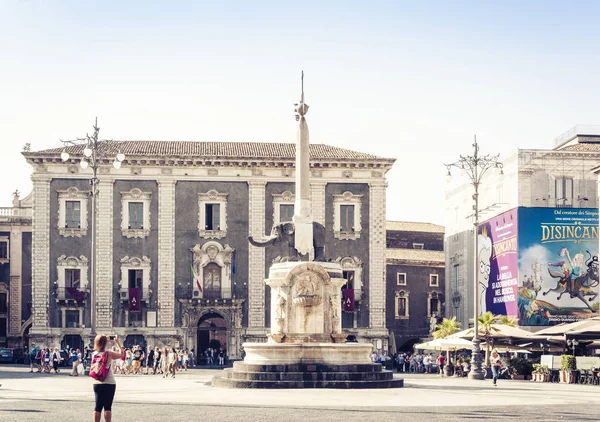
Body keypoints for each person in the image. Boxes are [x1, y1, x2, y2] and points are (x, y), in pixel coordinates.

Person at [91, 334, 124, 422]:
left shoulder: (94, 354)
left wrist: (104, 341)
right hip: (109, 382)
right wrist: (117, 343)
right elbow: (122, 354)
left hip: (97, 382)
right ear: (105, 343)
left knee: (97, 407)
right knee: (107, 407)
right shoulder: (109, 353)